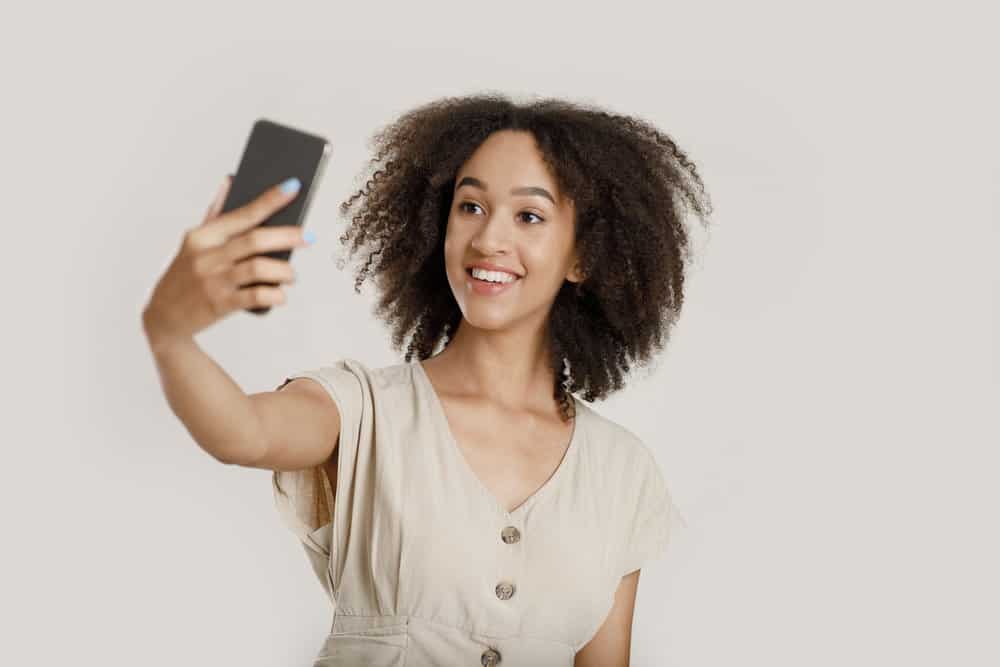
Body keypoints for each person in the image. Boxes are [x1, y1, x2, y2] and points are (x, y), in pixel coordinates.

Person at [142, 93, 713, 666]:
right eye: (470, 207)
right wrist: (169, 332)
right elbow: (243, 432)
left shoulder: (623, 470)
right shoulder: (363, 409)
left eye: (529, 216)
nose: (488, 239)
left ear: (583, 258)